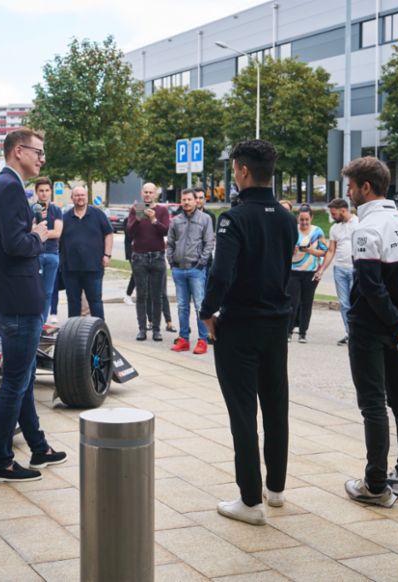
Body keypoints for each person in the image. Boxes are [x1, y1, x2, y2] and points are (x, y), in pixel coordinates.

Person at [199, 139, 296, 525]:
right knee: (276, 406)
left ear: (241, 171)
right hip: (276, 323)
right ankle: (275, 489)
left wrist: (207, 312)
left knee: (243, 412)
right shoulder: (287, 218)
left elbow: (222, 273)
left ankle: (249, 500)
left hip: (239, 325)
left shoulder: (233, 218)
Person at [0, 128, 65, 482]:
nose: (42, 159)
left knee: (21, 375)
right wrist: (38, 236)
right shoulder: (9, 187)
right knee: (15, 381)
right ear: (18, 151)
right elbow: (15, 245)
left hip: (3, 295)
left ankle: (38, 446)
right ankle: (1, 461)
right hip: (17, 298)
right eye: (39, 152)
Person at [341, 156, 398, 508]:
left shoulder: (366, 229)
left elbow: (371, 286)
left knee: (374, 404)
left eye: (350, 186)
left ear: (366, 187)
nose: (347, 192)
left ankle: (376, 484)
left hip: (371, 326)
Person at [167, 188, 214, 354]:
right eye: (184, 199)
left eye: (189, 199)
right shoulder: (176, 220)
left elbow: (209, 243)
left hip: (196, 269)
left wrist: (201, 264)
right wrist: (171, 262)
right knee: (182, 307)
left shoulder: (205, 219)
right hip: (179, 269)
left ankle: (202, 340)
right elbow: (170, 243)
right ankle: (184, 339)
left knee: (200, 306)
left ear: (196, 201)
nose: (186, 202)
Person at [58, 186, 113, 319]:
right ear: (72, 198)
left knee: (96, 303)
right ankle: (73, 335)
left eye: (82, 195)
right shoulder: (65, 217)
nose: (80, 198)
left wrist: (107, 255)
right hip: (70, 269)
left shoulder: (98, 214)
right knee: (73, 304)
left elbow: (109, 234)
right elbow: (57, 239)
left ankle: (100, 335)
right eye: (76, 195)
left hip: (93, 268)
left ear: (87, 197)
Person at [126, 182, 170, 341]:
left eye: (151, 192)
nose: (148, 195)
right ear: (141, 193)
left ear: (156, 194)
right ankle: (142, 329)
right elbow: (129, 232)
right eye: (145, 192)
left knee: (157, 295)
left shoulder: (162, 210)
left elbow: (166, 231)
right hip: (139, 257)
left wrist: (153, 220)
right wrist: (138, 219)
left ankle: (157, 329)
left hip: (157, 256)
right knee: (142, 295)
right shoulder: (136, 209)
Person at [318, 198, 359, 345]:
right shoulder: (334, 228)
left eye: (334, 213)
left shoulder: (359, 223)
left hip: (356, 268)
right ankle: (350, 333)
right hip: (339, 269)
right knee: (344, 303)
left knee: (356, 303)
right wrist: (322, 269)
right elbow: (330, 251)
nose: (332, 216)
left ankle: (359, 333)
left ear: (343, 210)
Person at [287, 205, 328, 343]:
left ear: (311, 218)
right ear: (298, 218)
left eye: (306, 220)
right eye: (302, 219)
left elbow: (324, 251)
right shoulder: (293, 229)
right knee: (293, 301)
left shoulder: (317, 231)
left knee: (307, 302)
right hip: (294, 270)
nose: (304, 223)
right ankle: (289, 331)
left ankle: (303, 332)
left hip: (311, 271)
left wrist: (310, 250)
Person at [32, 178, 63, 322]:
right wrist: (35, 224)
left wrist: (38, 233)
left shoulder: (56, 210)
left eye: (46, 190)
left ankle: (42, 322)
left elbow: (57, 233)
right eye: (41, 191)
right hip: (35, 255)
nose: (44, 194)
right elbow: (26, 231)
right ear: (36, 192)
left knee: (48, 292)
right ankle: (33, 320)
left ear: (50, 191)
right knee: (34, 291)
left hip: (52, 254)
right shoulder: (31, 209)